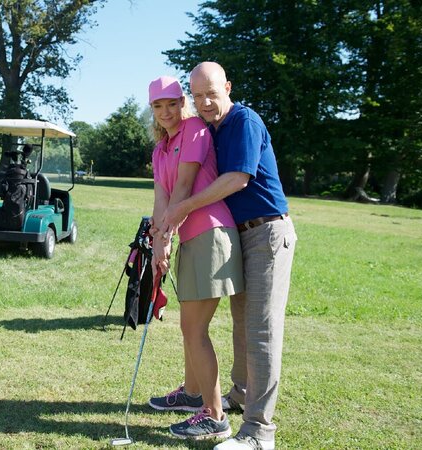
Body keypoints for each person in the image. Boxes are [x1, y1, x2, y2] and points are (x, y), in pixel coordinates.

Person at [163, 62, 297, 450]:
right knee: (243, 325)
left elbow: (238, 178)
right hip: (241, 234)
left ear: (228, 88)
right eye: (197, 96)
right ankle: (240, 394)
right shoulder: (213, 129)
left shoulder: (243, 121)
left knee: (261, 331)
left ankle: (258, 432)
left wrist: (183, 207)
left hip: (267, 233)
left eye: (211, 93)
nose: (205, 102)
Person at [145, 76, 244, 441]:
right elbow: (161, 199)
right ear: (152, 109)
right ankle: (191, 394)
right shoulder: (160, 149)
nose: (166, 111)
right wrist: (157, 241)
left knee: (193, 329)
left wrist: (166, 235)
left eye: (172, 103)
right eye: (159, 106)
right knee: (189, 327)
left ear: (182, 102)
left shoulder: (195, 130)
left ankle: (215, 415)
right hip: (189, 237)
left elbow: (184, 188)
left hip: (211, 235)